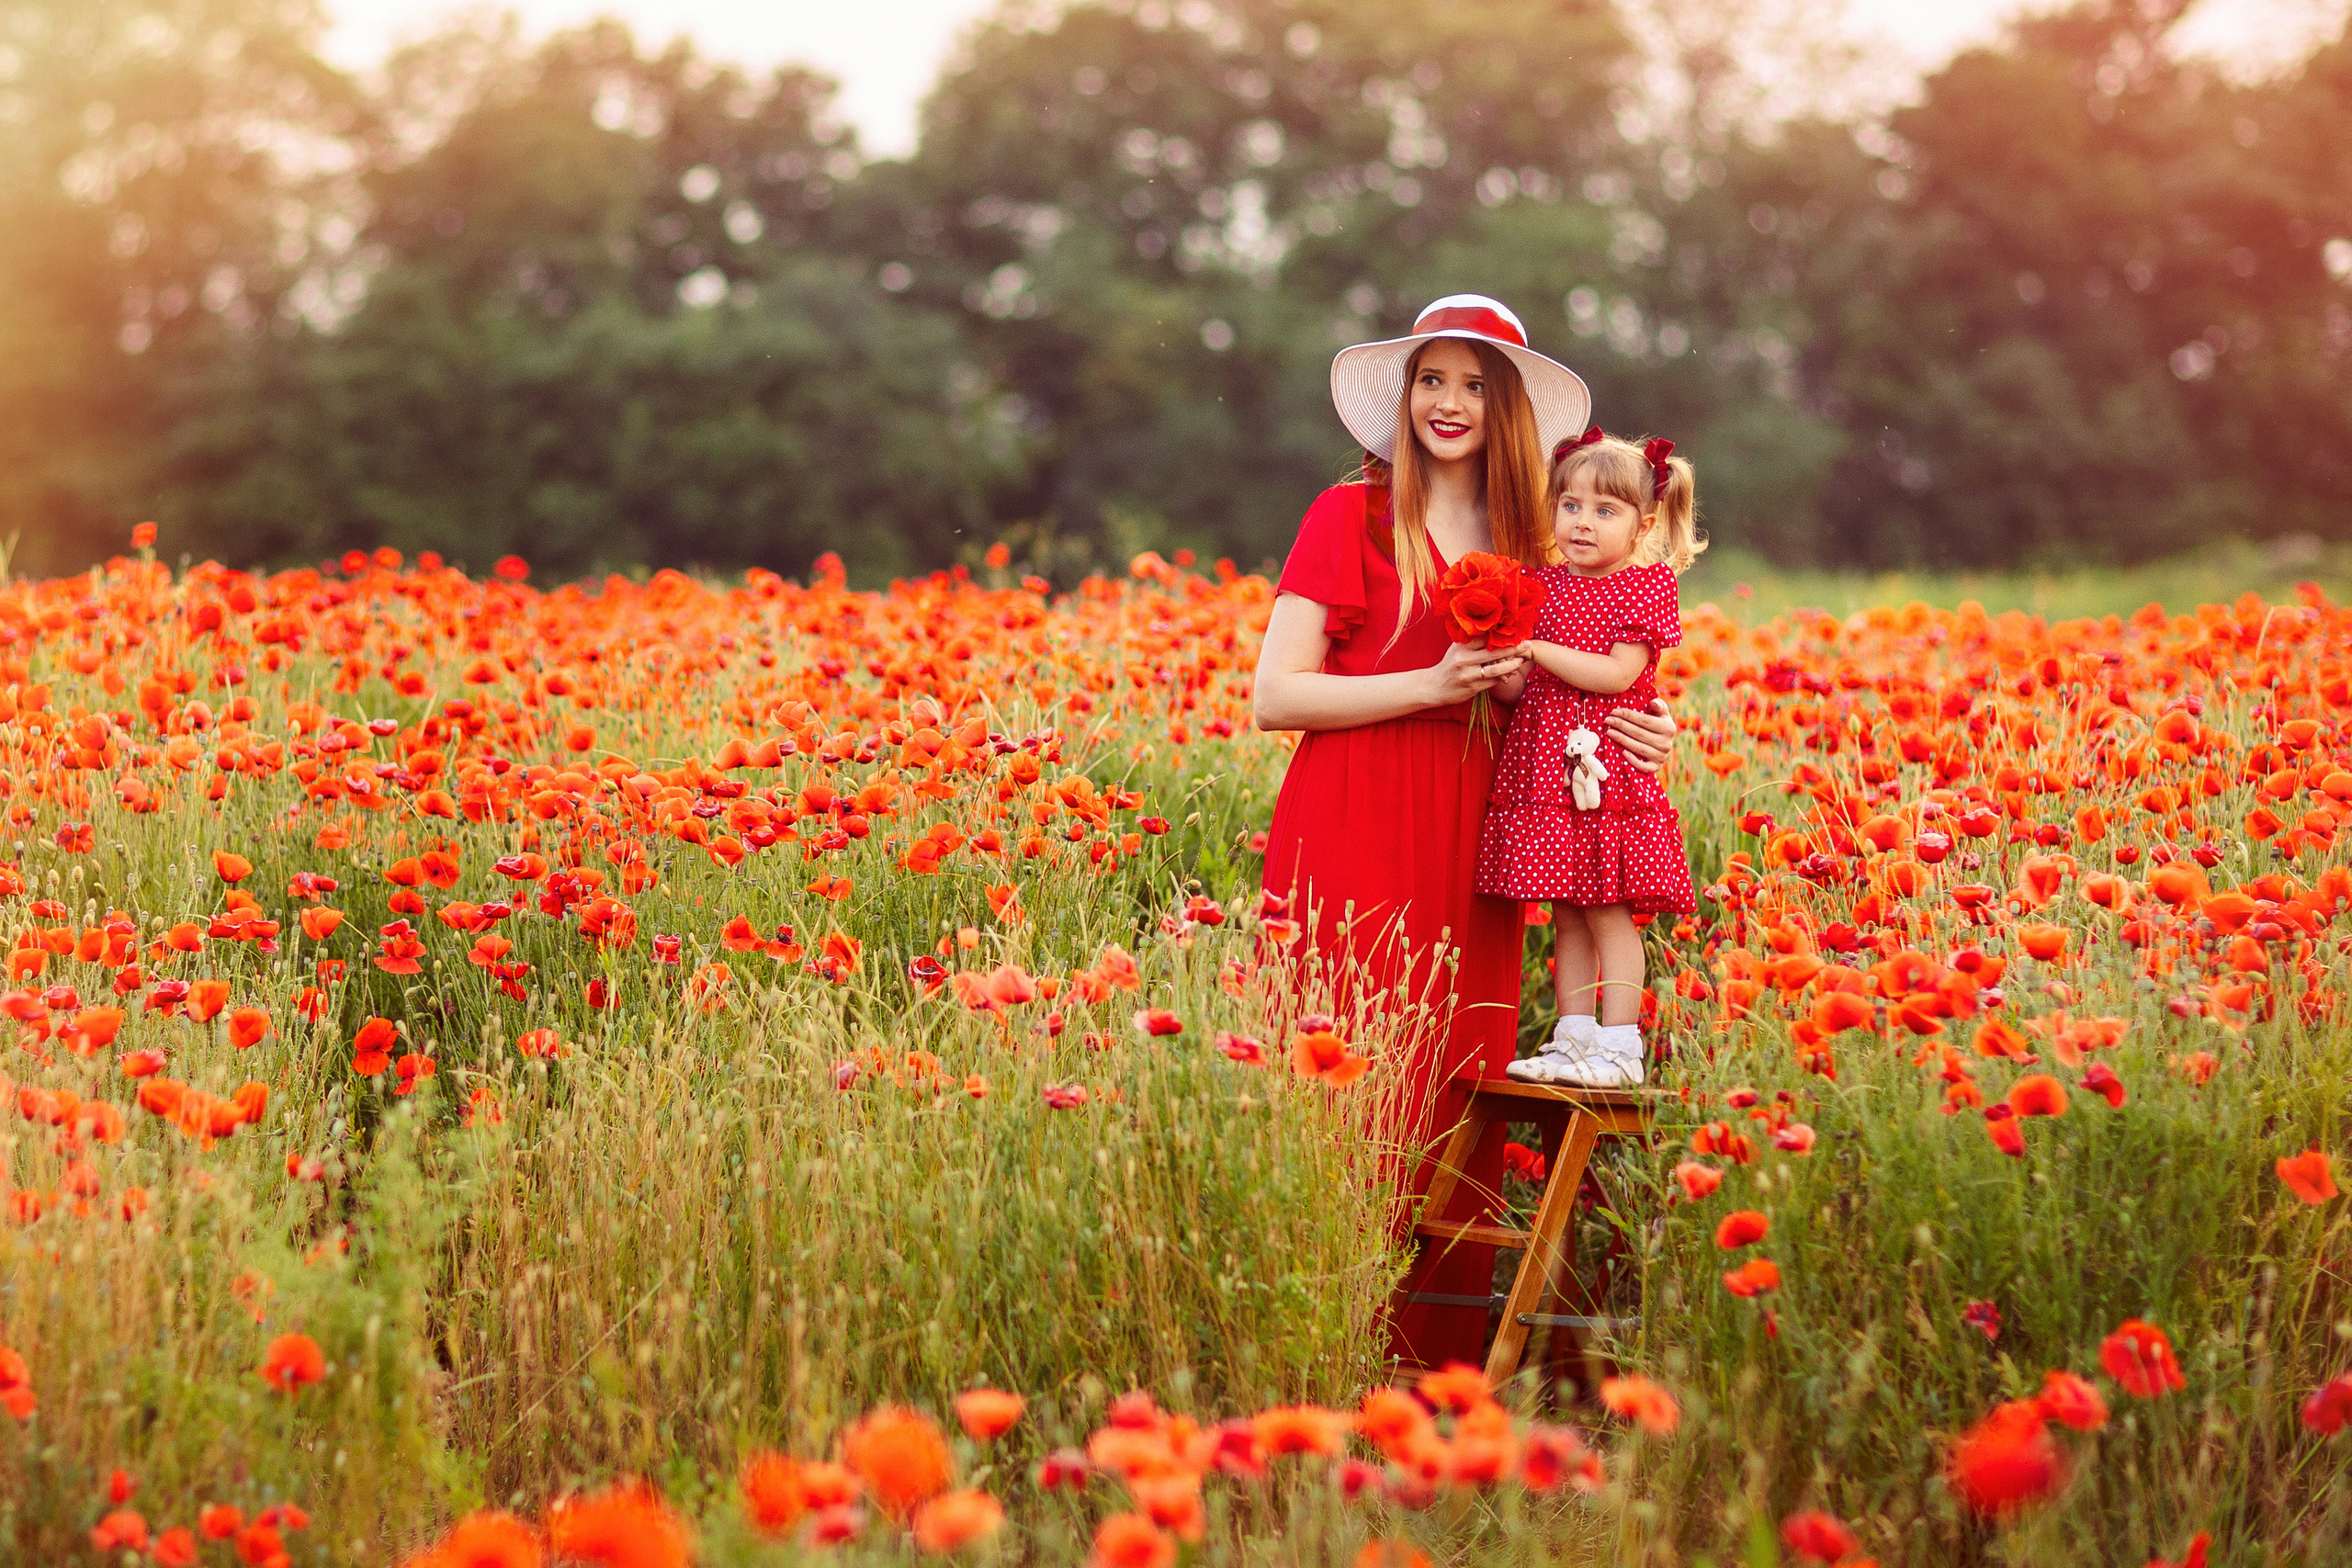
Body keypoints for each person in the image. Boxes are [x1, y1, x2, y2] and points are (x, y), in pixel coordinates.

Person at [1251, 297, 1676, 1367]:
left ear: (1510, 408)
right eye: (1432, 380)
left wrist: (1647, 725)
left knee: (1453, 1071)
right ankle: (1311, 1344)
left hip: (1484, 825)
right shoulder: (1345, 515)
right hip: (1351, 809)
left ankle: (1430, 1366)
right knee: (1344, 1073)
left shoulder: (1540, 538)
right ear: (1403, 397)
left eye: (1476, 385)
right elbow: (1274, 695)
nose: (1450, 403)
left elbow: (1612, 666)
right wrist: (1427, 681)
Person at [1476, 428, 1704, 1088]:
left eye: (1605, 511)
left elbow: (1614, 674)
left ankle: (1620, 1043)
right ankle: (1572, 1038)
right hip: (1544, 767)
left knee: (1608, 906)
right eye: (1570, 505)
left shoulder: (1645, 587)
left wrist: (1536, 649)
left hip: (1602, 773)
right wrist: (1497, 661)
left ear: (1644, 525)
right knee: (1566, 908)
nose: (1582, 521)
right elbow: (1522, 690)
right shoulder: (1540, 584)